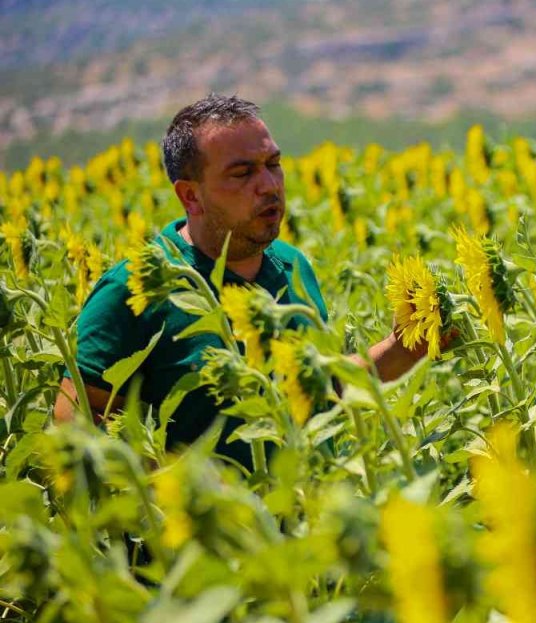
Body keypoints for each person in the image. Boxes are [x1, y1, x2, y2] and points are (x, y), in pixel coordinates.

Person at [53, 94, 439, 471]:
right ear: (191, 195)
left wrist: (400, 350)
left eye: (273, 164)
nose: (270, 185)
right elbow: (74, 422)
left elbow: (317, 390)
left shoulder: (292, 266)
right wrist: (174, 493)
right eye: (242, 173)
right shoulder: (135, 288)